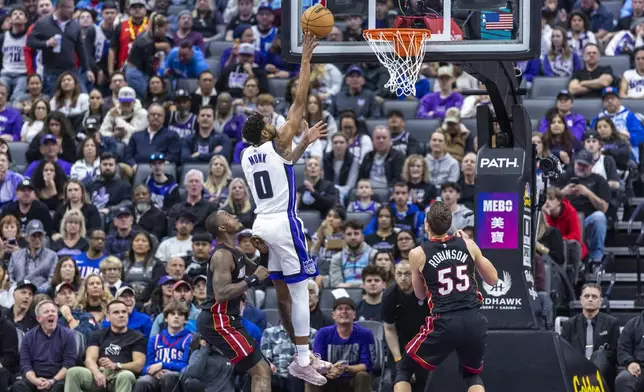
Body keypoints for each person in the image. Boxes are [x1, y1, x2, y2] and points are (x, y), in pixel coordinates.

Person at [239, 32, 329, 385]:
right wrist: (306, 59)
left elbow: (284, 163)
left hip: (260, 224)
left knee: (283, 292)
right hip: (282, 223)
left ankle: (299, 351)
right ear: (265, 131)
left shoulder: (247, 155)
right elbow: (300, 100)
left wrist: (304, 143)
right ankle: (303, 359)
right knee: (301, 290)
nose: (274, 120)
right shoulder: (276, 140)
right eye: (268, 121)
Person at [394, 201, 498, 392]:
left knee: (404, 370)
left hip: (445, 321)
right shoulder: (468, 244)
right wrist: (471, 246)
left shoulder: (417, 253)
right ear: (450, 223)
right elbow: (493, 279)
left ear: (426, 225)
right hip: (474, 320)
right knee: (471, 375)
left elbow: (419, 294)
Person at [197, 210, 272, 391]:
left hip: (228, 320)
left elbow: (263, 275)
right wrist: (252, 279)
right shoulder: (222, 255)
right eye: (229, 216)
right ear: (222, 228)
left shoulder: (236, 251)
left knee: (262, 369)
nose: (235, 216)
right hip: (218, 320)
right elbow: (221, 294)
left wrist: (264, 254)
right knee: (261, 370)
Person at [65, 300, 146, 392]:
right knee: (73, 372)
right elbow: (90, 359)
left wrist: (116, 365)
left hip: (121, 375)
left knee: (127, 375)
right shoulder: (97, 335)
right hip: (100, 374)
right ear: (108, 317)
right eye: (116, 312)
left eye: (124, 312)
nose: (121, 315)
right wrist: (96, 373)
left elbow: (139, 365)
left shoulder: (138, 337)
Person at [13, 300, 77, 392]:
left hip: (58, 380)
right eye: (46, 312)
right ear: (38, 318)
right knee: (19, 386)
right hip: (35, 380)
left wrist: (52, 381)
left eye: (53, 311)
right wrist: (35, 380)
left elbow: (69, 364)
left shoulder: (68, 335)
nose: (51, 314)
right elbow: (25, 364)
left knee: (61, 387)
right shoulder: (29, 336)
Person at [562, 283, 619, 384]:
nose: (590, 299)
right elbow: (563, 352)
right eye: (586, 296)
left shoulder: (611, 323)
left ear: (600, 301)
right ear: (581, 299)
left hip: (603, 374)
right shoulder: (569, 325)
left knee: (599, 355)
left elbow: (615, 353)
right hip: (575, 371)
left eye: (594, 296)